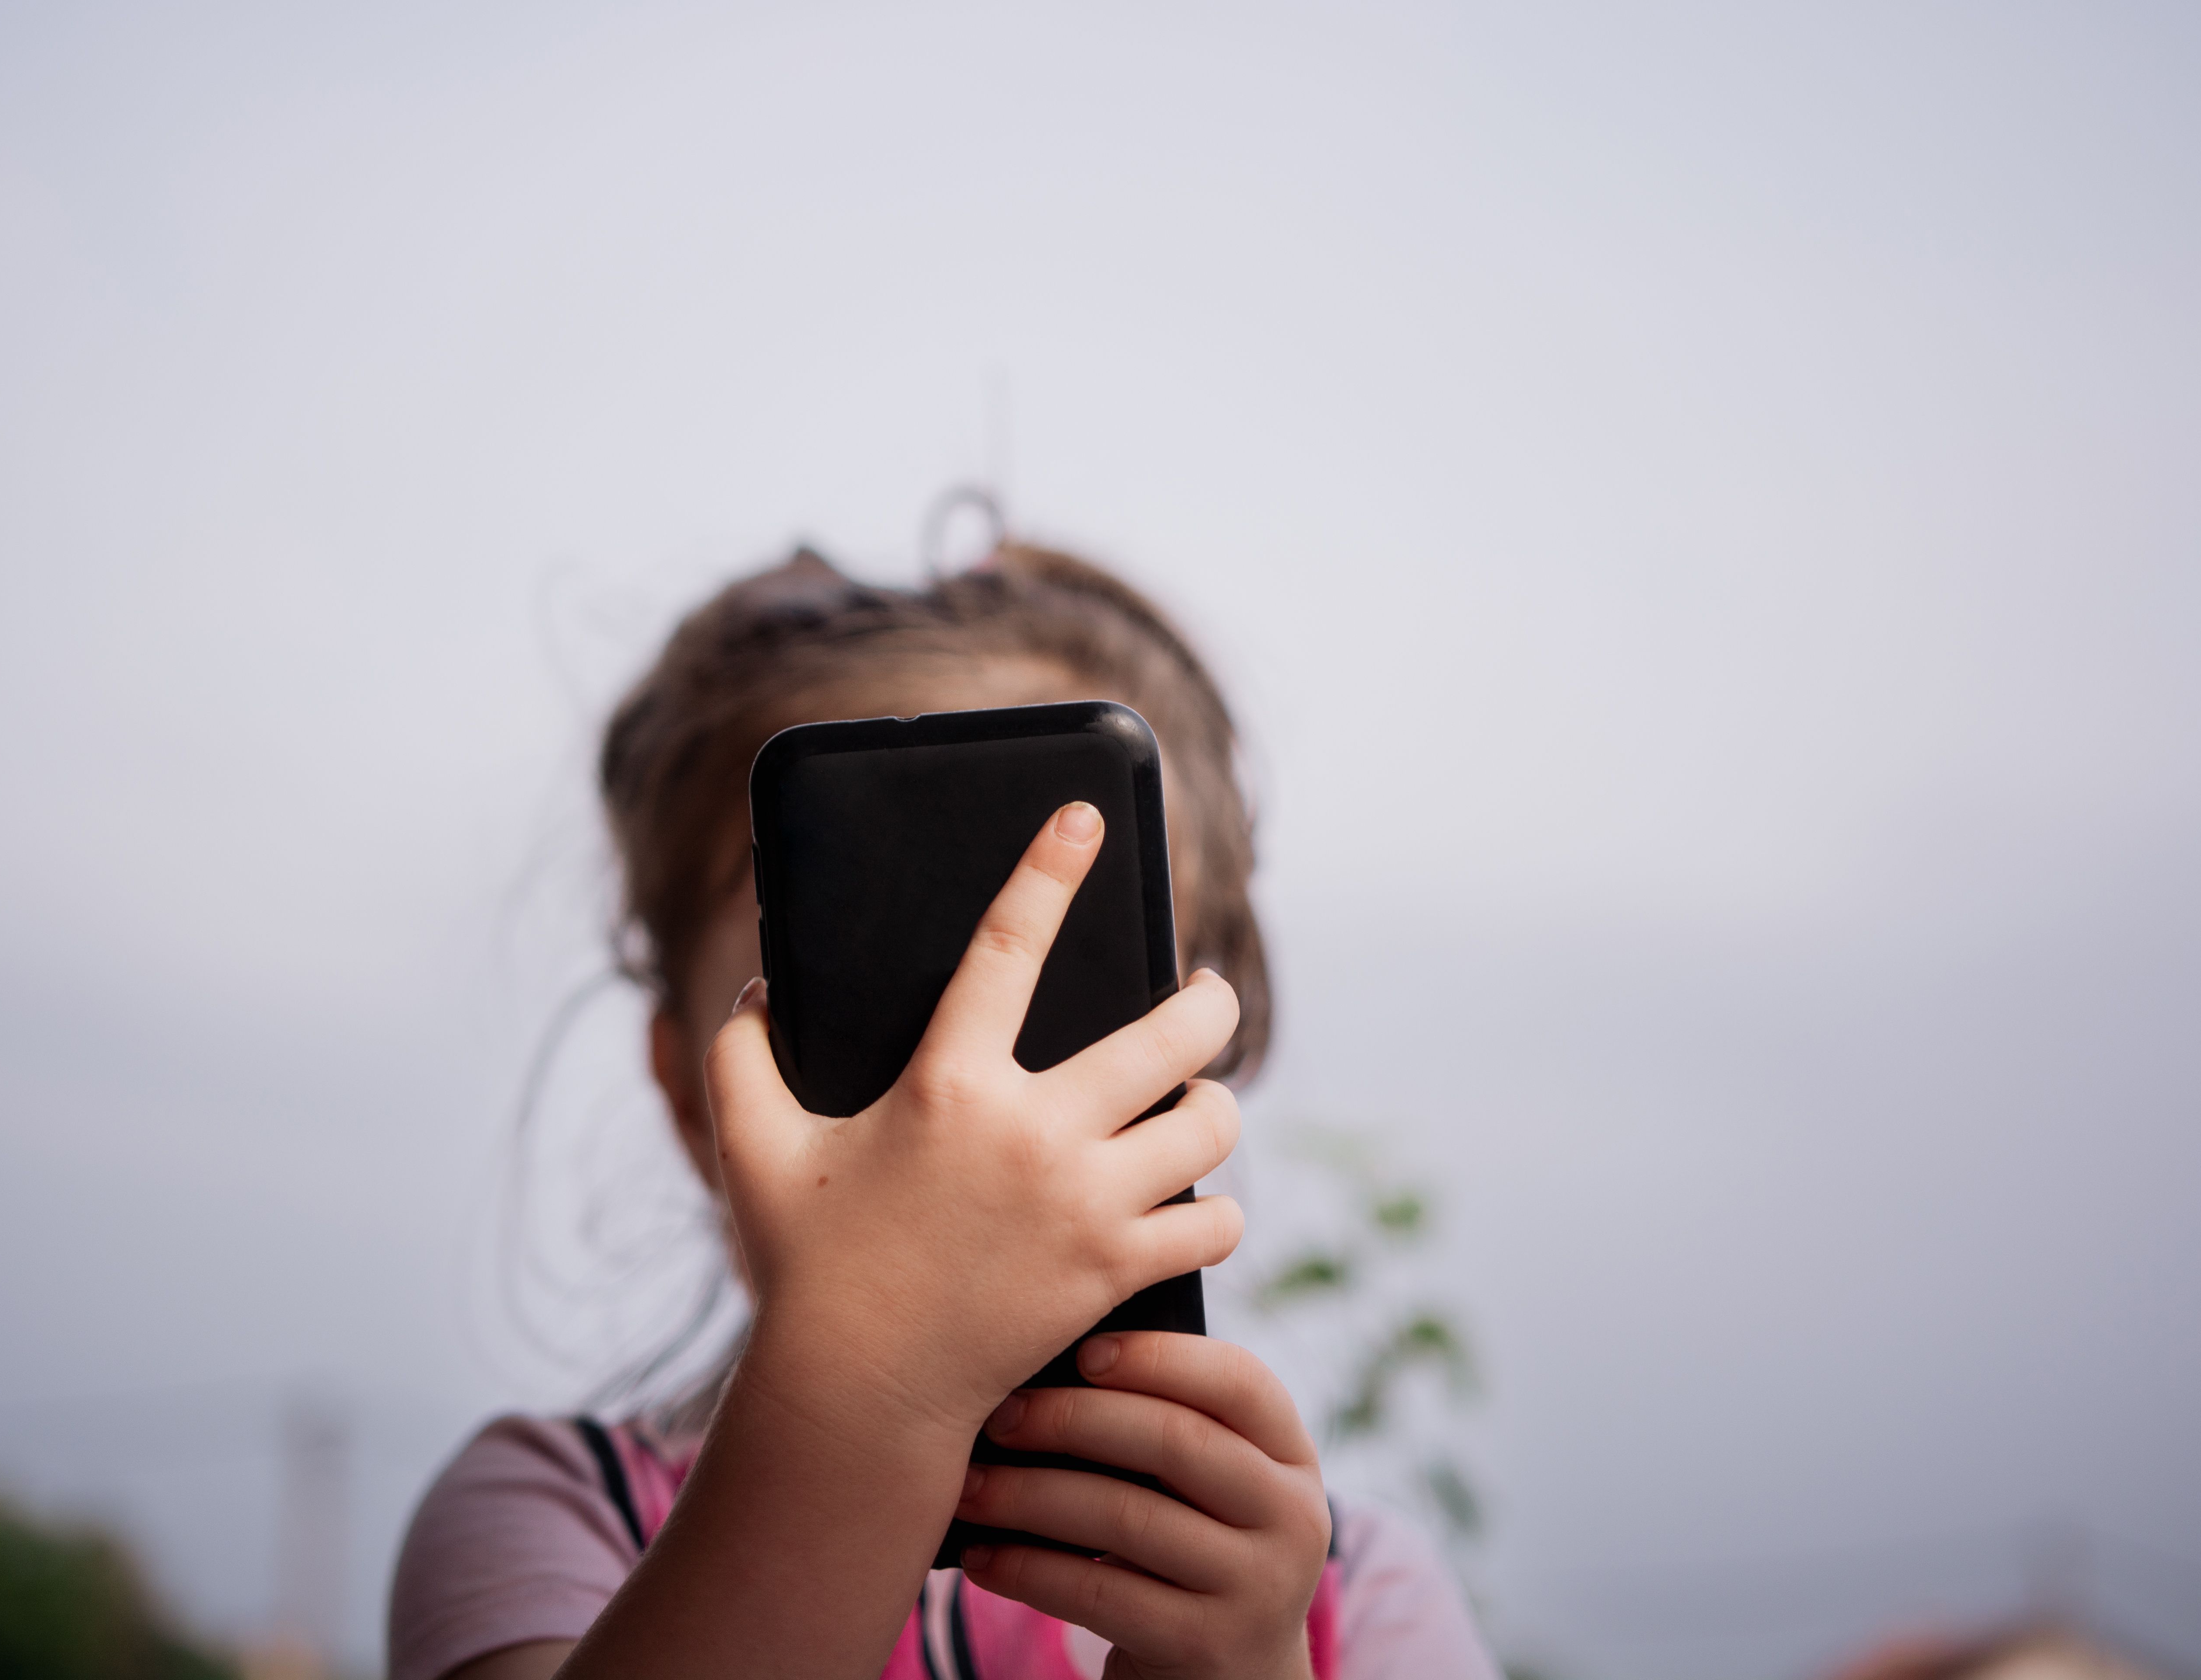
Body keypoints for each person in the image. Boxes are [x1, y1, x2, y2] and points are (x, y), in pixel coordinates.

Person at [389, 541, 1497, 1680]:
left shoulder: (1352, 1598)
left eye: (1046, 1004)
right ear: (689, 1096)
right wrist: (871, 1384)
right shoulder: (557, 1518)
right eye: (874, 1010)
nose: (958, 1110)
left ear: (1184, 1065)